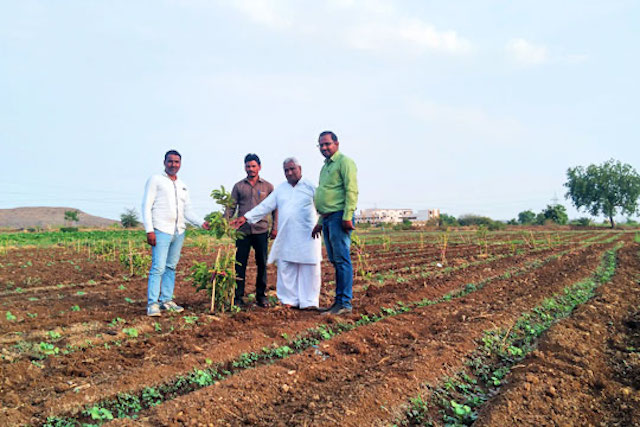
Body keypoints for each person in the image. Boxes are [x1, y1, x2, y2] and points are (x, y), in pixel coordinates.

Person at [230, 158, 321, 309]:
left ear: (300, 168)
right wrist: (246, 218)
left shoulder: (311, 187)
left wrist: (322, 222)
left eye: (292, 169)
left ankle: (309, 302)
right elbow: (265, 206)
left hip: (308, 234)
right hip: (287, 234)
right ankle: (289, 301)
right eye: (286, 170)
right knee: (286, 267)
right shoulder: (281, 189)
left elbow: (322, 205)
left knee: (309, 268)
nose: (289, 172)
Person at [142, 150, 208, 317]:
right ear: (164, 162)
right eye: (170, 161)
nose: (173, 165)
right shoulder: (156, 180)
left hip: (178, 231)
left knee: (171, 267)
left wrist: (202, 222)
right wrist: (149, 230)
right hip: (161, 230)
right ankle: (152, 304)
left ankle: (166, 300)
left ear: (180, 164)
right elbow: (146, 205)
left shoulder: (182, 185)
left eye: (176, 162)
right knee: (158, 267)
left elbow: (188, 210)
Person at [312, 131, 358, 315]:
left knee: (342, 260)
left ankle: (344, 303)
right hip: (328, 218)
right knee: (335, 259)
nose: (324, 148)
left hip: (340, 217)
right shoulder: (325, 167)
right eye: (321, 145)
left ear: (336, 143)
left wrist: (347, 216)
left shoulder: (345, 162)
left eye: (327, 144)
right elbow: (327, 195)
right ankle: (338, 302)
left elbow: (351, 190)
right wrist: (320, 221)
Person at [226, 153, 277, 308]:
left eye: (253, 166)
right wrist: (225, 223)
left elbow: (275, 209)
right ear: (245, 167)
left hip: (261, 230)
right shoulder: (238, 186)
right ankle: (238, 297)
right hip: (243, 231)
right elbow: (231, 206)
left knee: (262, 263)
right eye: (248, 166)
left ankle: (261, 296)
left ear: (259, 167)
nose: (251, 169)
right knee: (240, 264)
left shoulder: (268, 186)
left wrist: (275, 227)